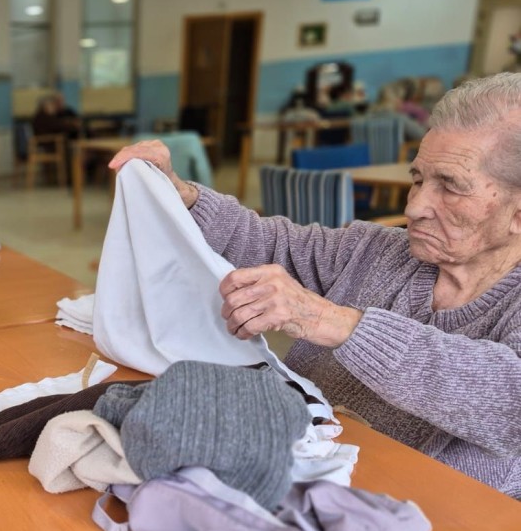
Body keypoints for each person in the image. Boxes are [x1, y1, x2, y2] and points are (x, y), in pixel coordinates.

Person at [107, 71, 521, 501]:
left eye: (450, 187)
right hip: (286, 478)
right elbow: (270, 243)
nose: (414, 206)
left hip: (414, 517)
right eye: (418, 179)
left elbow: (510, 399)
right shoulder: (376, 251)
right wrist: (182, 197)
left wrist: (332, 321)